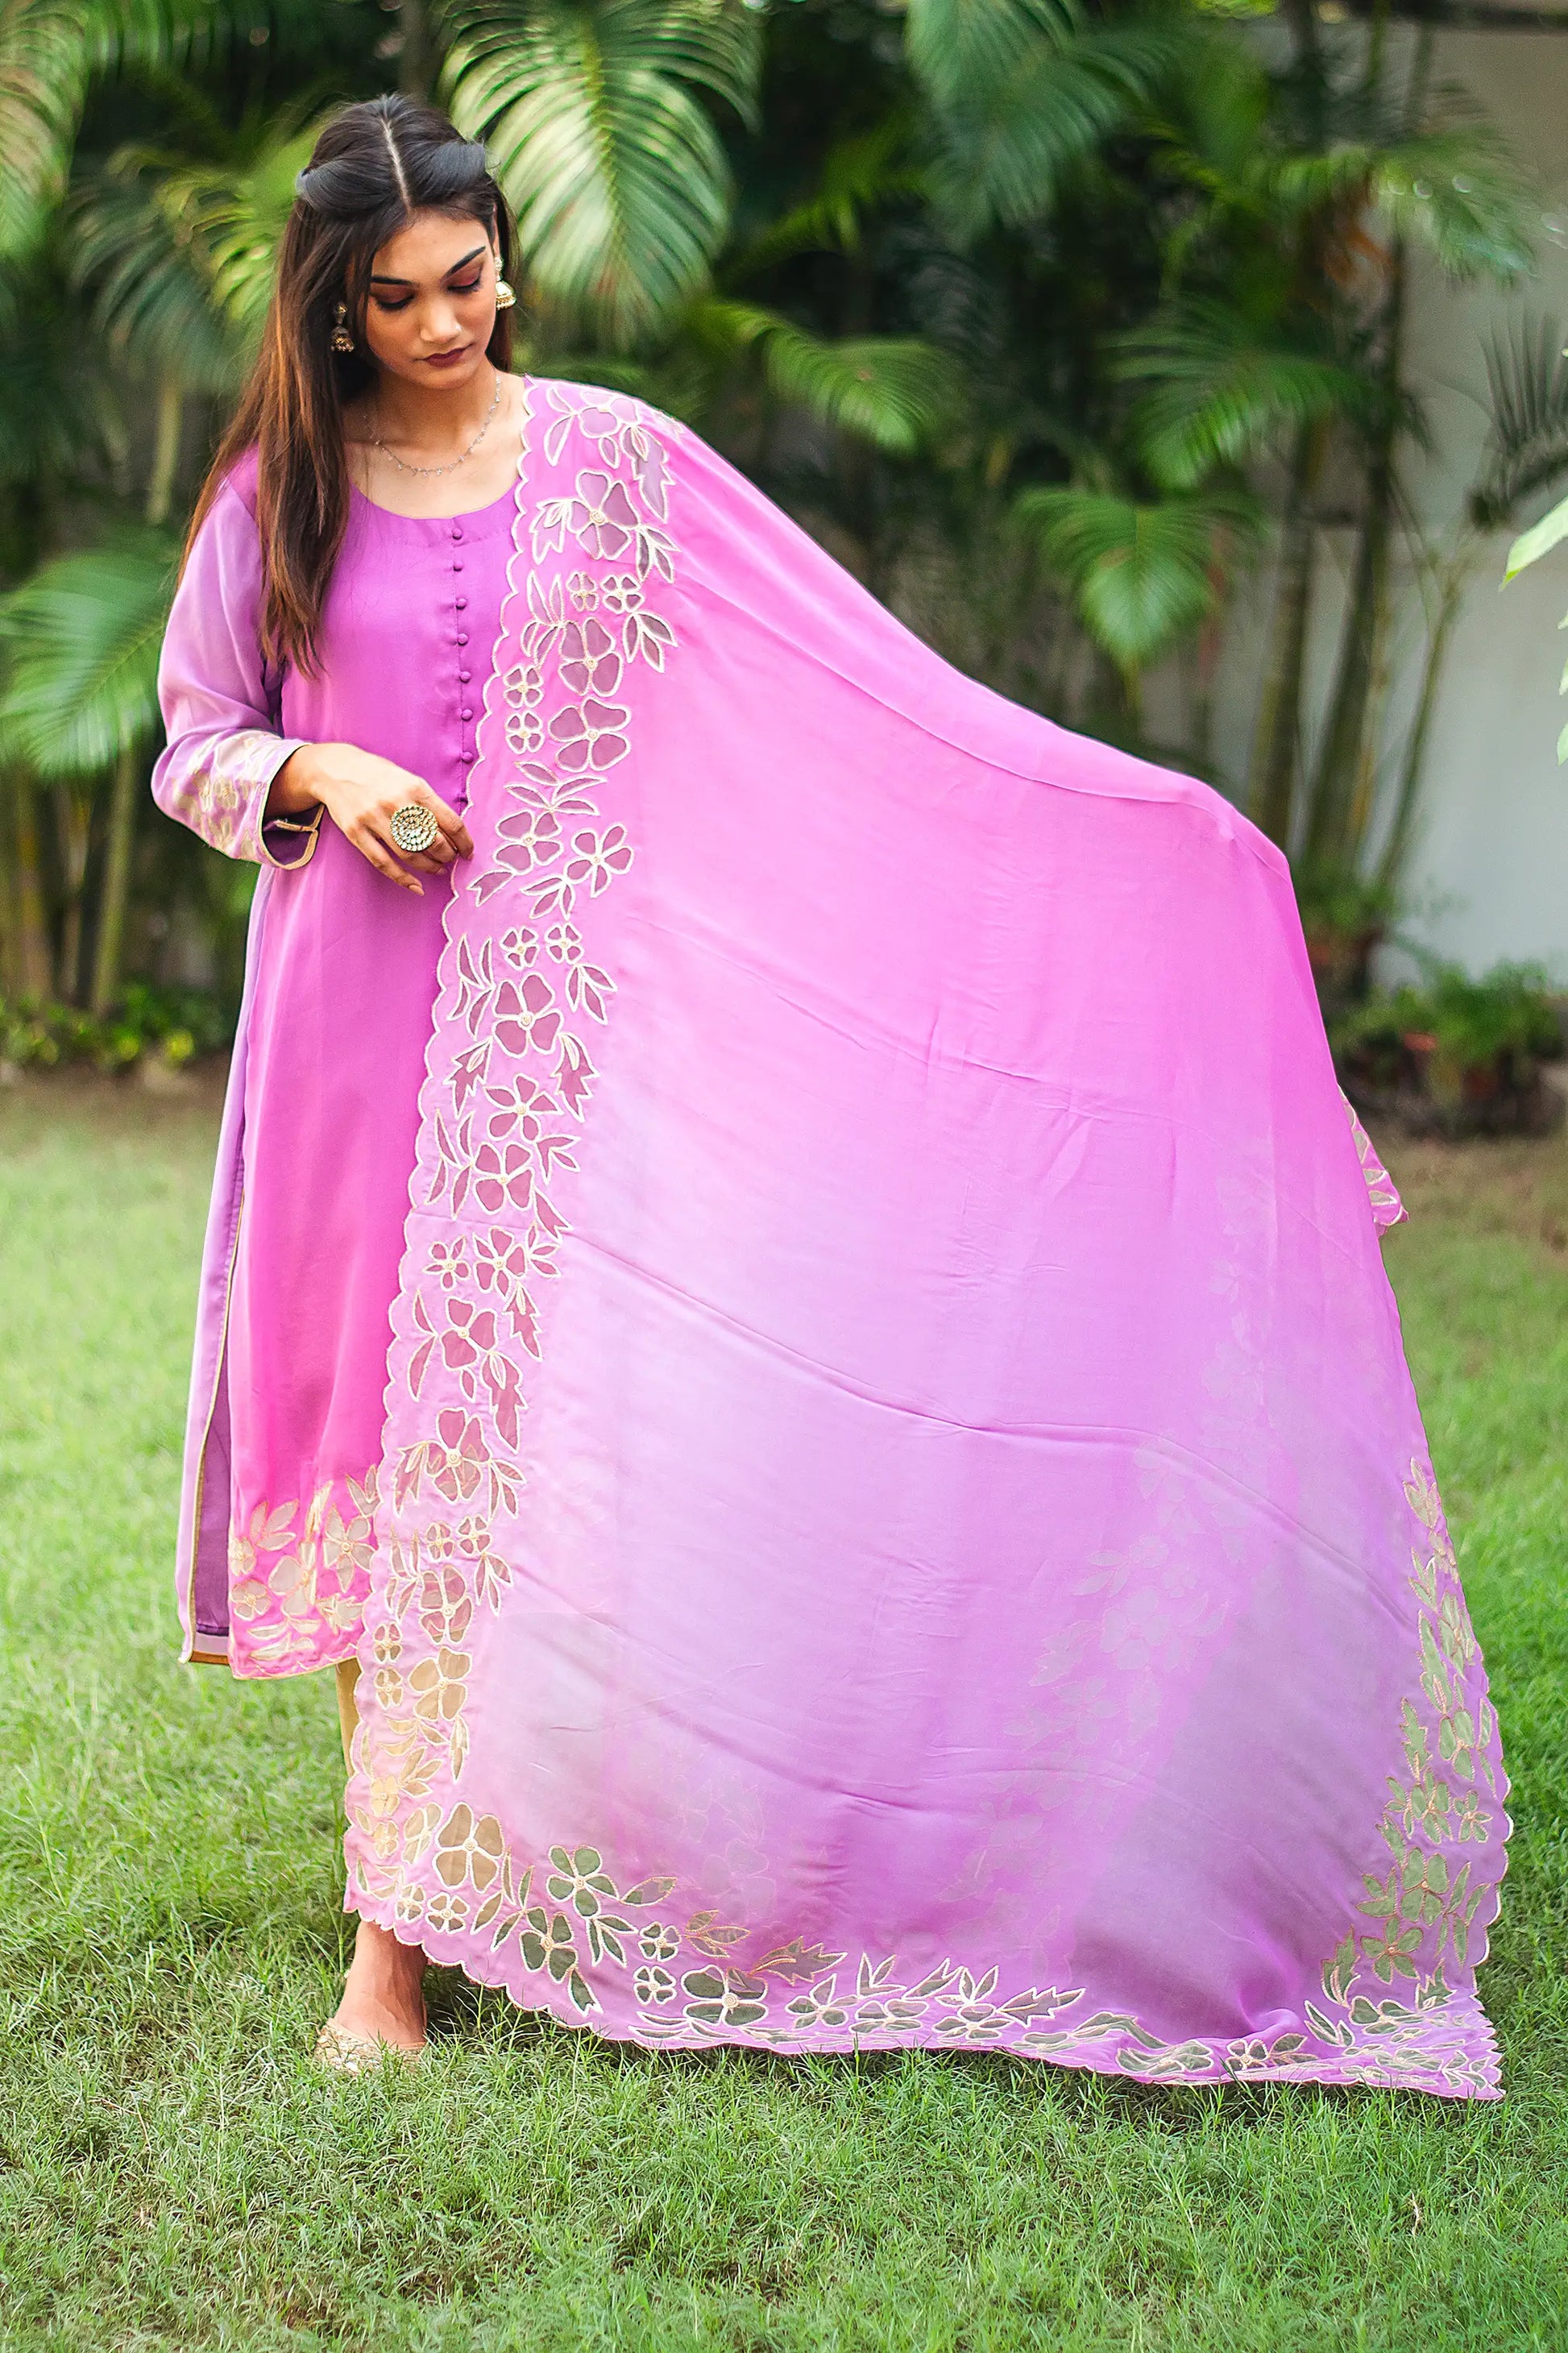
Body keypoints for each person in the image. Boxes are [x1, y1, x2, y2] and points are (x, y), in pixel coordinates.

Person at [156, 94, 1508, 2096]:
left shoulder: (616, 466)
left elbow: (854, 687)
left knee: (531, 1448)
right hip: (351, 1032)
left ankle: (463, 1885)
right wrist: (316, 776)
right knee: (382, 1456)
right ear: (335, 311)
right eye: (405, 297)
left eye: (475, 274)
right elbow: (197, 735)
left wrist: (1141, 825)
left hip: (568, 1047)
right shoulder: (282, 494)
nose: (457, 317)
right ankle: (394, 1940)